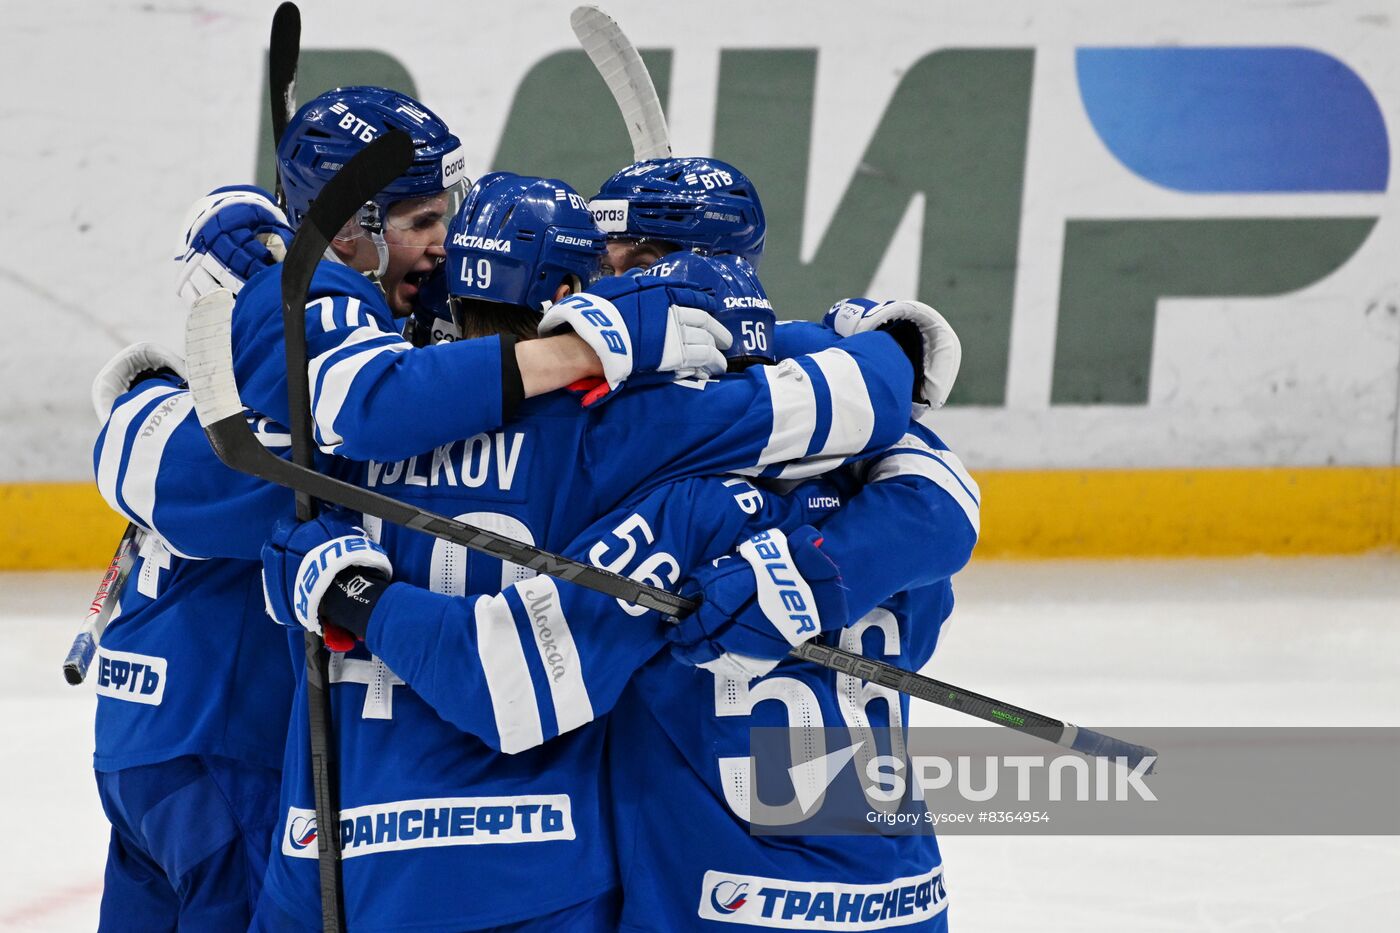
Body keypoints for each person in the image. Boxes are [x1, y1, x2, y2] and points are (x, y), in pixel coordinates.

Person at [248, 172, 919, 932]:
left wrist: (336, 588)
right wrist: (887, 338)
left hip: (329, 849)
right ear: (572, 288)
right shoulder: (628, 434)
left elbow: (275, 545)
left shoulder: (354, 439)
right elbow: (854, 408)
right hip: (531, 868)